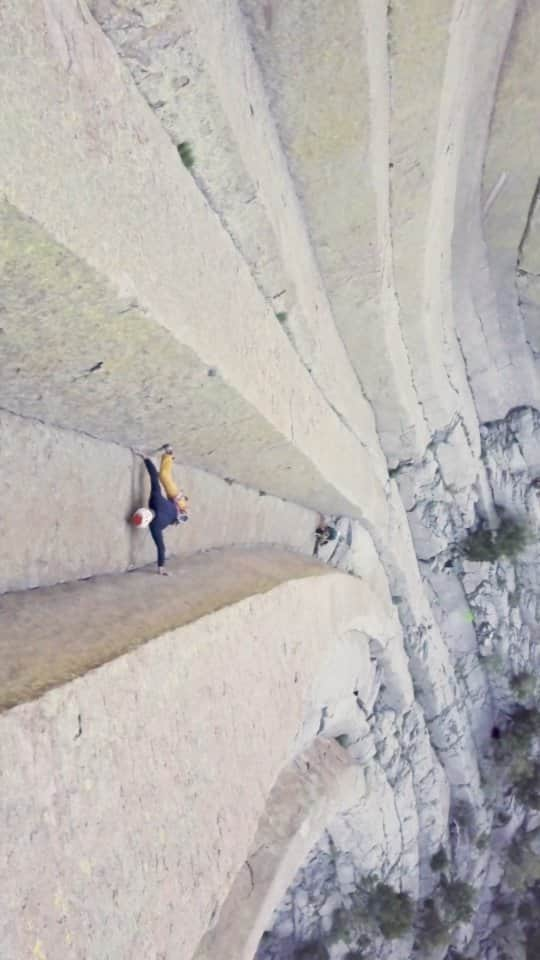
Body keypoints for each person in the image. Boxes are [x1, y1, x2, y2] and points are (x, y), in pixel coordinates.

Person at [131, 447, 188, 575]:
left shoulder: (155, 524)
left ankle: (169, 454)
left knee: (163, 476)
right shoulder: (155, 503)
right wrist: (145, 458)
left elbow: (161, 547)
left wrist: (161, 567)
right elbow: (153, 478)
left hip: (176, 508)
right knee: (164, 476)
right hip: (178, 504)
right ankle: (169, 454)